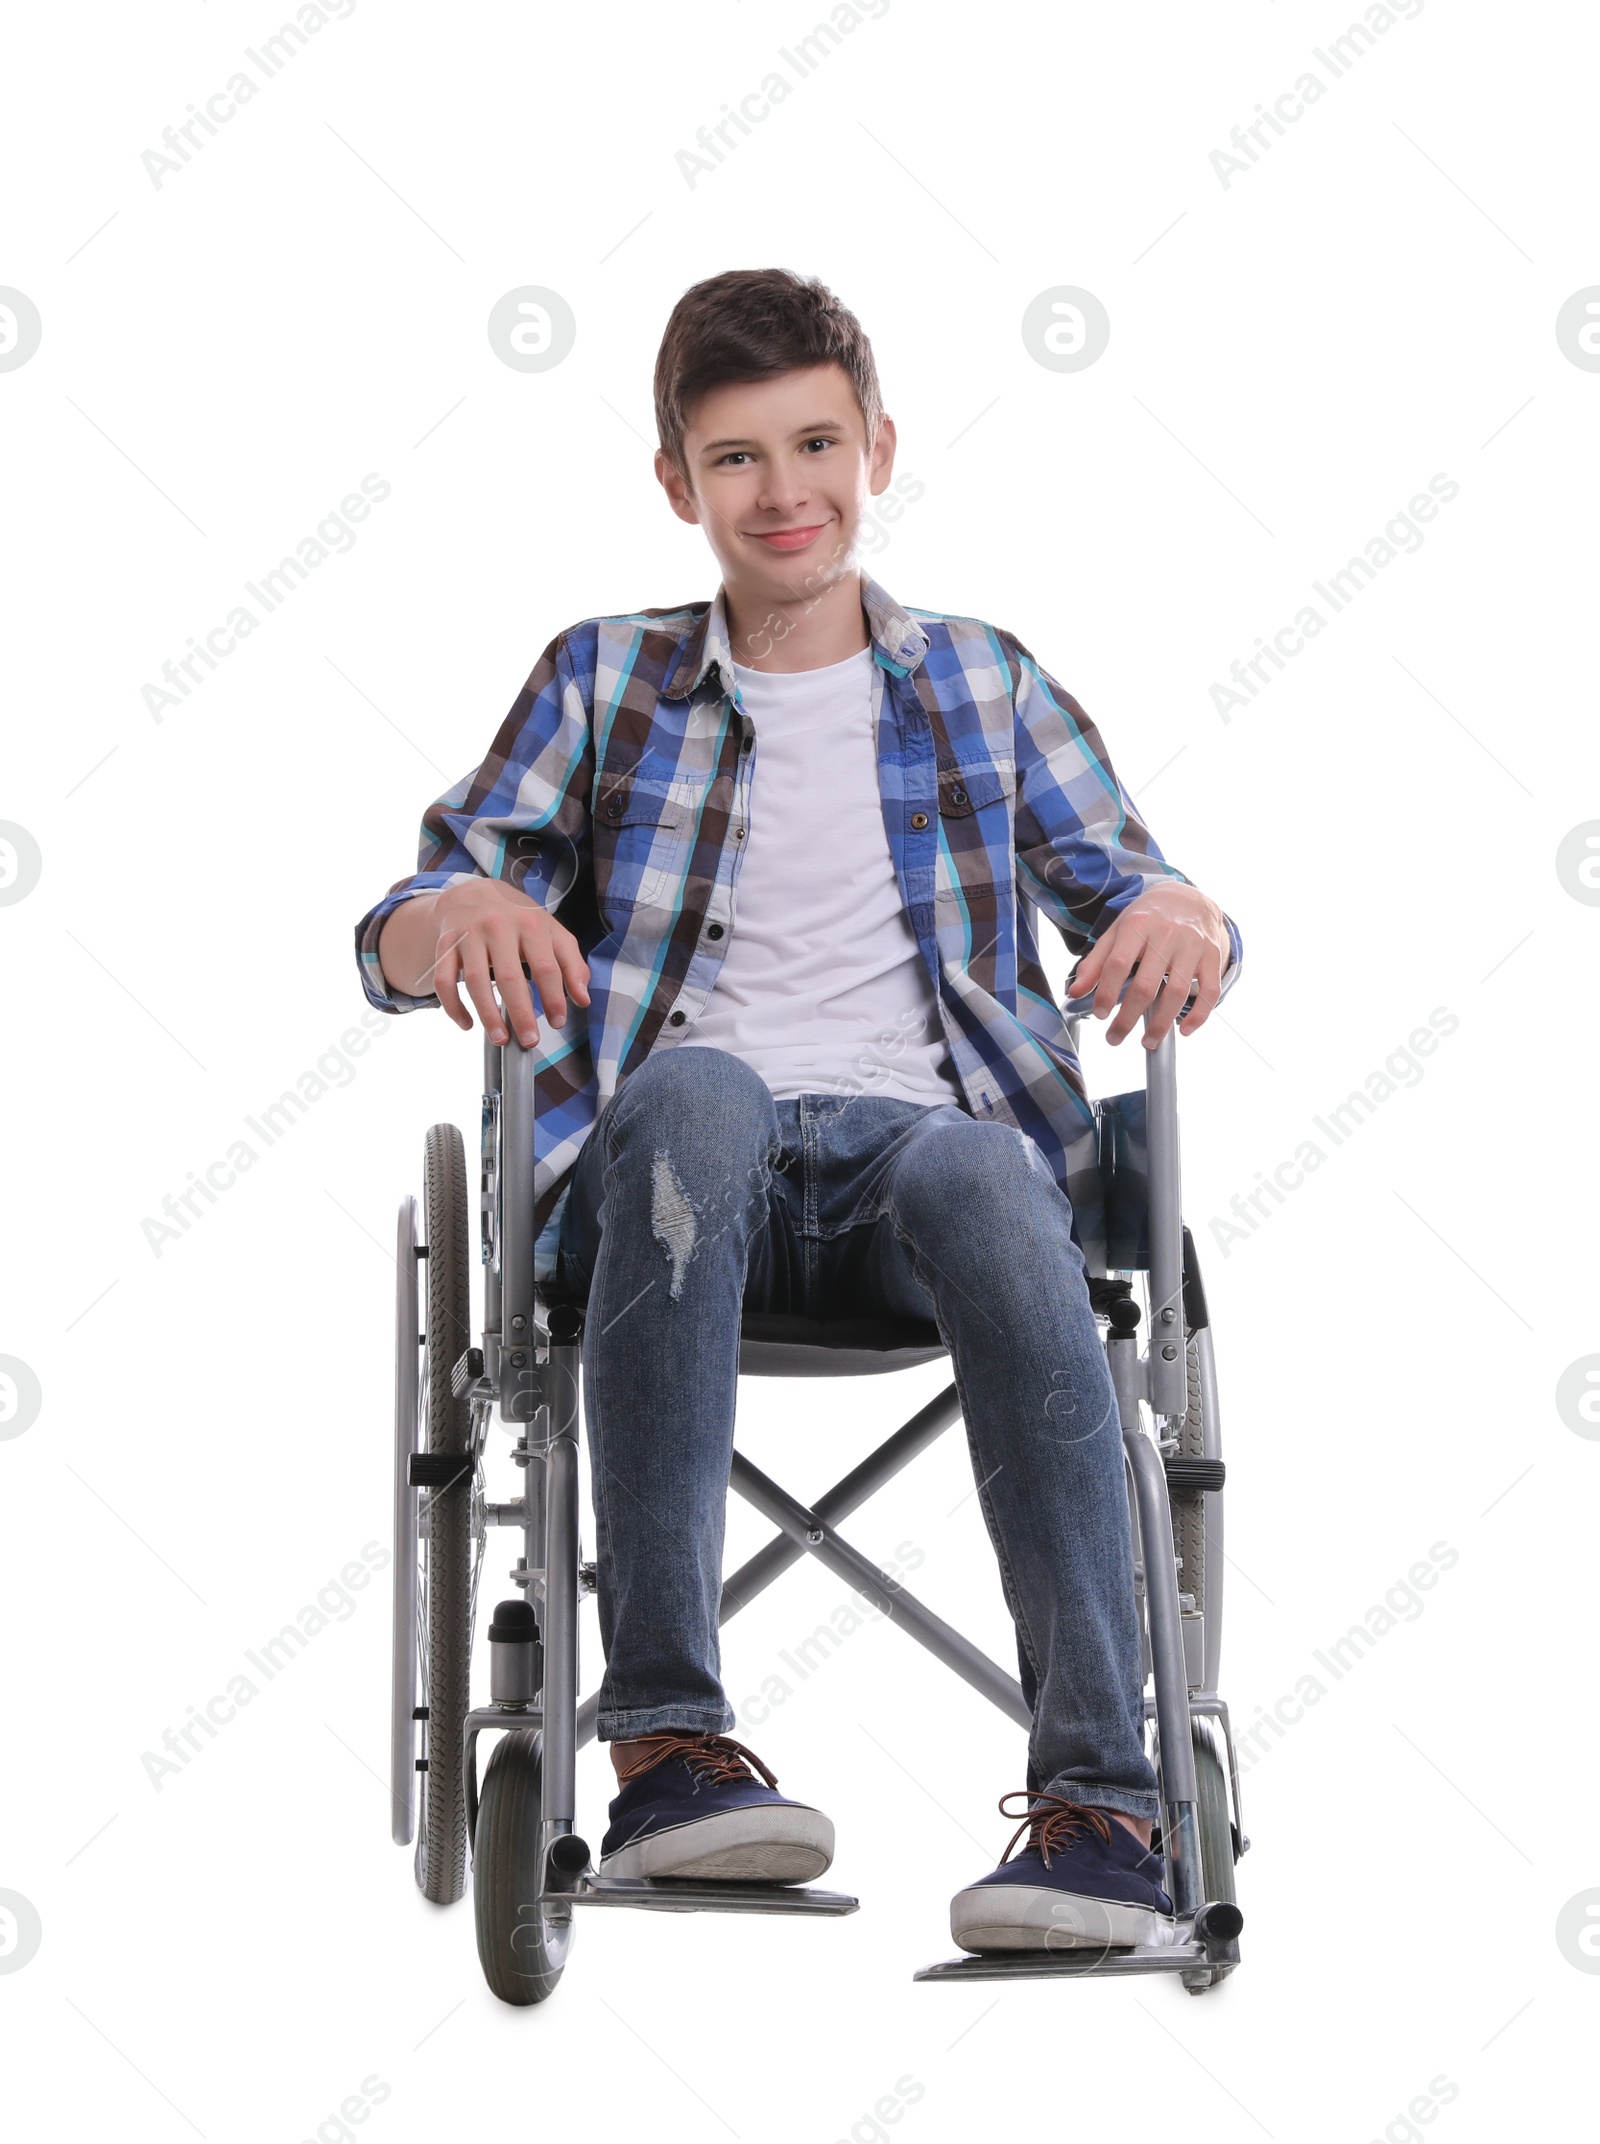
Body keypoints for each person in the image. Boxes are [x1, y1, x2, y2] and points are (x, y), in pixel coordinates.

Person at [355, 268, 1242, 1954]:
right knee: (693, 1089)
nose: (786, 491)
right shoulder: (605, 679)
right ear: (680, 484)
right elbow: (413, 918)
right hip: (685, 1194)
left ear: (881, 445)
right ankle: (671, 1749)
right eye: (739, 456)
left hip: (931, 1173)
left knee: (993, 1166)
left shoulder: (984, 680)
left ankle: (1102, 1813)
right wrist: (442, 921)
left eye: (817, 442)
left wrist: (1187, 914)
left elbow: (1145, 886)